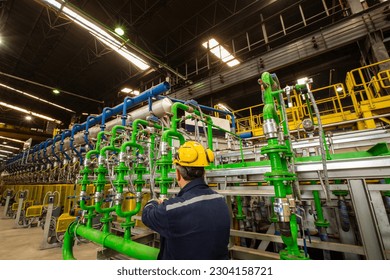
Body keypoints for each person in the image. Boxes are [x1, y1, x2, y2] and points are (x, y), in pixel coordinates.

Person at [142, 141, 231, 260]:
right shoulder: (221, 201)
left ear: (178, 174)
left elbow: (146, 215)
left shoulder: (173, 209)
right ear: (203, 172)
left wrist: (154, 202)